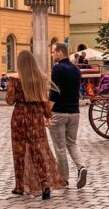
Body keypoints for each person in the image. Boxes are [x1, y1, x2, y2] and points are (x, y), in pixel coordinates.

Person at [7, 50, 67, 199]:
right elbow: (43, 100)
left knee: (19, 152)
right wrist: (47, 115)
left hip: (20, 118)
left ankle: (20, 186)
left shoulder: (15, 79)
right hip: (35, 118)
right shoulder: (40, 78)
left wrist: (10, 84)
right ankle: (45, 184)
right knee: (38, 151)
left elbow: (9, 100)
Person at [48, 42, 88, 188]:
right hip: (74, 112)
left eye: (53, 52)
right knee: (72, 143)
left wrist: (47, 111)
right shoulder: (76, 70)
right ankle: (81, 167)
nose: (52, 55)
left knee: (59, 147)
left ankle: (63, 179)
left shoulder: (57, 68)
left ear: (60, 52)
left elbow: (54, 92)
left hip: (59, 112)